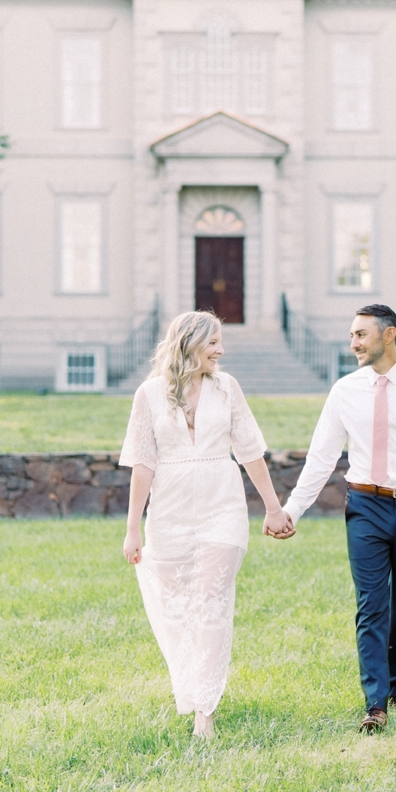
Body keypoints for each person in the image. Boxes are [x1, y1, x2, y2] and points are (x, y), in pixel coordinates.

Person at [268, 304, 396, 734]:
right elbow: (321, 458)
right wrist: (291, 509)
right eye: (351, 335)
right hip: (364, 506)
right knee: (371, 606)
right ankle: (375, 703)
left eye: (361, 335)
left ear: (389, 336)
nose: (353, 344)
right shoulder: (344, 391)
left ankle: (395, 685)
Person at [120, 310, 294, 738]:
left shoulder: (227, 388)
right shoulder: (149, 394)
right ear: (189, 345)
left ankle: (205, 713)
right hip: (170, 511)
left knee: (211, 601)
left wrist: (273, 508)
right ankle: (192, 688)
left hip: (223, 505)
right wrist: (132, 528)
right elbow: (142, 464)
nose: (221, 349)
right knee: (179, 608)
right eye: (213, 342)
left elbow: (250, 450)